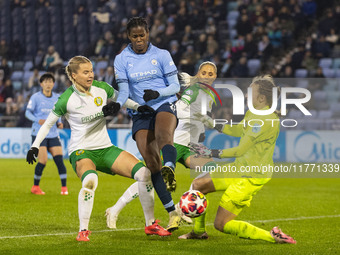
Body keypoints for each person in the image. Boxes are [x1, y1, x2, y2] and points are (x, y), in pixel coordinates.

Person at [26, 56, 171, 242]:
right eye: (85, 72)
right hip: (82, 151)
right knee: (90, 181)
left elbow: (122, 99)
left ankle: (150, 224)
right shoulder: (66, 99)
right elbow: (48, 124)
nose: (90, 75)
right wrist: (34, 146)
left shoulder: (102, 88)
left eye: (91, 71)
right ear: (73, 75)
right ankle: (83, 230)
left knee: (144, 173)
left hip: (106, 148)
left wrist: (139, 107)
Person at [178, 75, 296, 244]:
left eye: (250, 93)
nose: (246, 96)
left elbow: (240, 150)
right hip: (238, 168)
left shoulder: (265, 120)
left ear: (262, 98)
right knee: (198, 185)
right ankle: (198, 232)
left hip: (250, 177)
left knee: (221, 224)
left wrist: (210, 153)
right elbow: (239, 130)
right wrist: (211, 123)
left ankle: (272, 236)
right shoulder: (254, 114)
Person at [105, 61, 219, 228]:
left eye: (211, 74)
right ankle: (115, 209)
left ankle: (182, 207)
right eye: (204, 73)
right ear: (198, 74)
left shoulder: (211, 95)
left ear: (215, 77)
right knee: (152, 176)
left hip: (189, 144)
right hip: (176, 141)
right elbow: (178, 109)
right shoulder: (194, 91)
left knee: (210, 167)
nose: (207, 77)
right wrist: (202, 118)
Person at [108, 16, 181, 231]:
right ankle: (172, 212)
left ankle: (170, 168)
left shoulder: (162, 55)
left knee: (163, 135)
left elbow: (175, 85)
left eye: (142, 35)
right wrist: (116, 105)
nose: (139, 40)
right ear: (129, 37)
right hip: (141, 111)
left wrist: (157, 92)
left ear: (148, 33)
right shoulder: (121, 59)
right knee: (150, 163)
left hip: (164, 102)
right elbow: (123, 92)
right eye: (134, 36)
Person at [25, 73, 68, 195]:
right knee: (43, 160)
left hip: (53, 134)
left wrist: (59, 122)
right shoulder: (35, 97)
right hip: (38, 133)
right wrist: (37, 120)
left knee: (59, 160)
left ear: (53, 84)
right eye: (45, 81)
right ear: (41, 84)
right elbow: (27, 113)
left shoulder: (57, 97)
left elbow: (58, 113)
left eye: (50, 81)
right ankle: (35, 187)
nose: (48, 84)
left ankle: (64, 189)